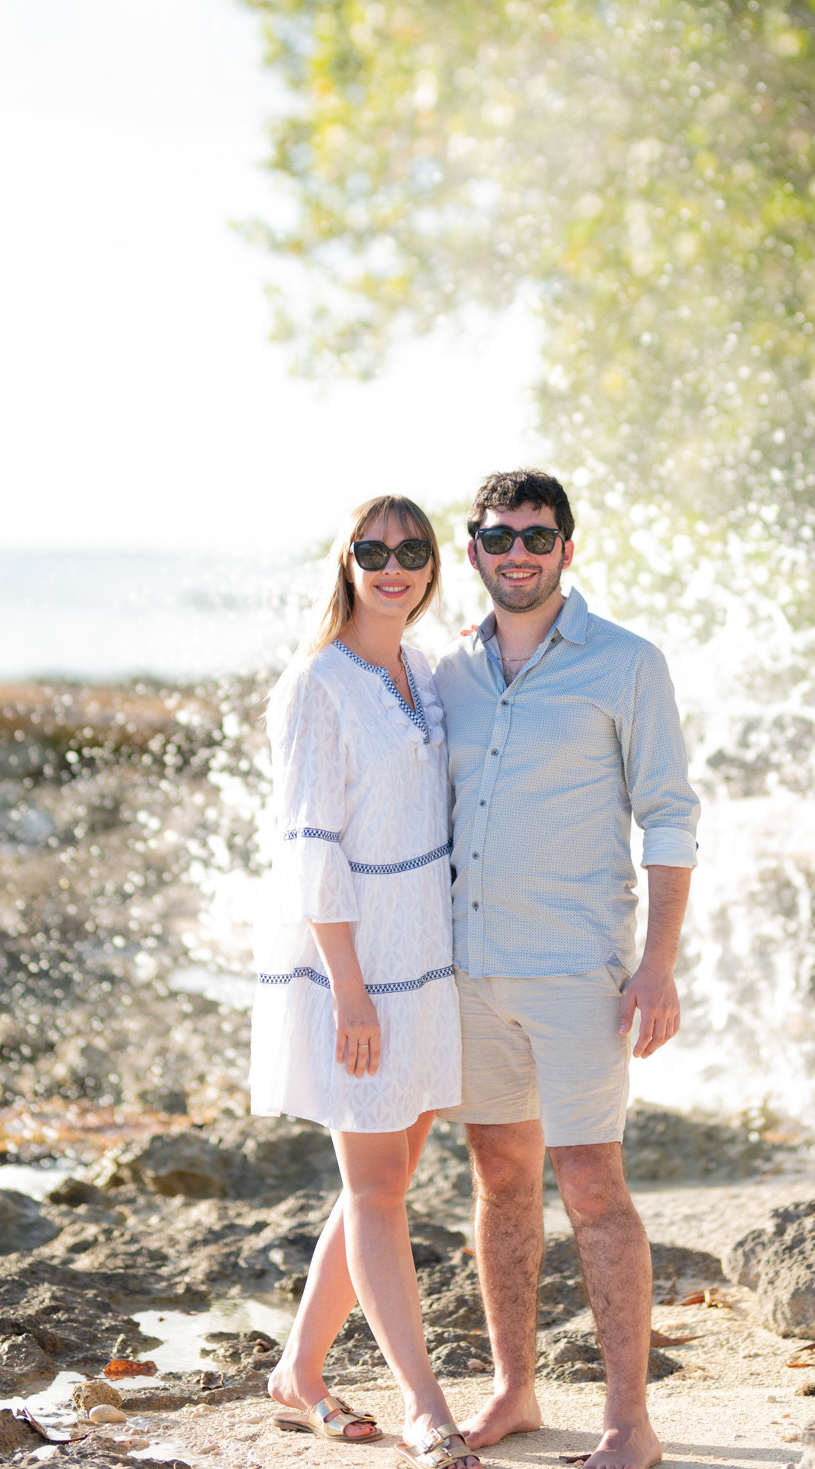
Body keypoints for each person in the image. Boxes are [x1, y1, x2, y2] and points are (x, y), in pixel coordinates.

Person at [433, 468, 700, 1469]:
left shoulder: (626, 661)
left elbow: (668, 812)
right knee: (500, 1175)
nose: (517, 552)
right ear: (473, 550)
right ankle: (514, 1384)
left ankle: (630, 1419)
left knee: (589, 1181)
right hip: (470, 971)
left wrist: (656, 966)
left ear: (566, 548)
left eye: (535, 536)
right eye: (498, 536)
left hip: (574, 969)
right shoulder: (444, 670)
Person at [249, 494, 478, 1469]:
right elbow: (311, 847)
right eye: (372, 549)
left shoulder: (417, 669)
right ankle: (424, 1404)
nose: (393, 565)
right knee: (377, 1184)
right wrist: (348, 987)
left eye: (411, 549)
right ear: (344, 560)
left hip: (422, 959)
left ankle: (298, 1374)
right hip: (355, 967)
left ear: (431, 563)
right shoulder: (317, 682)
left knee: (380, 1179)